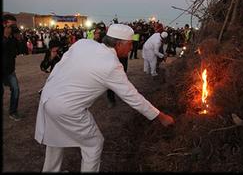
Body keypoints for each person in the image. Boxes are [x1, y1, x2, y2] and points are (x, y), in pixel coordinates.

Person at [34, 24, 175, 172]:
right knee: (93, 144)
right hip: (67, 108)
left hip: (48, 97)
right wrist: (161, 116)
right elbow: (133, 97)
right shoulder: (112, 65)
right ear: (119, 44)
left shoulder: (84, 43)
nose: (132, 47)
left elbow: (61, 64)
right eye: (130, 44)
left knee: (55, 140)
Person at [1, 14, 23, 121]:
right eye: (11, 26)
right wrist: (5, 37)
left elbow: (21, 51)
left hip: (10, 70)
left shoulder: (13, 38)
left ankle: (13, 112)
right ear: (4, 24)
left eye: (14, 26)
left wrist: (18, 39)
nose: (13, 28)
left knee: (16, 89)